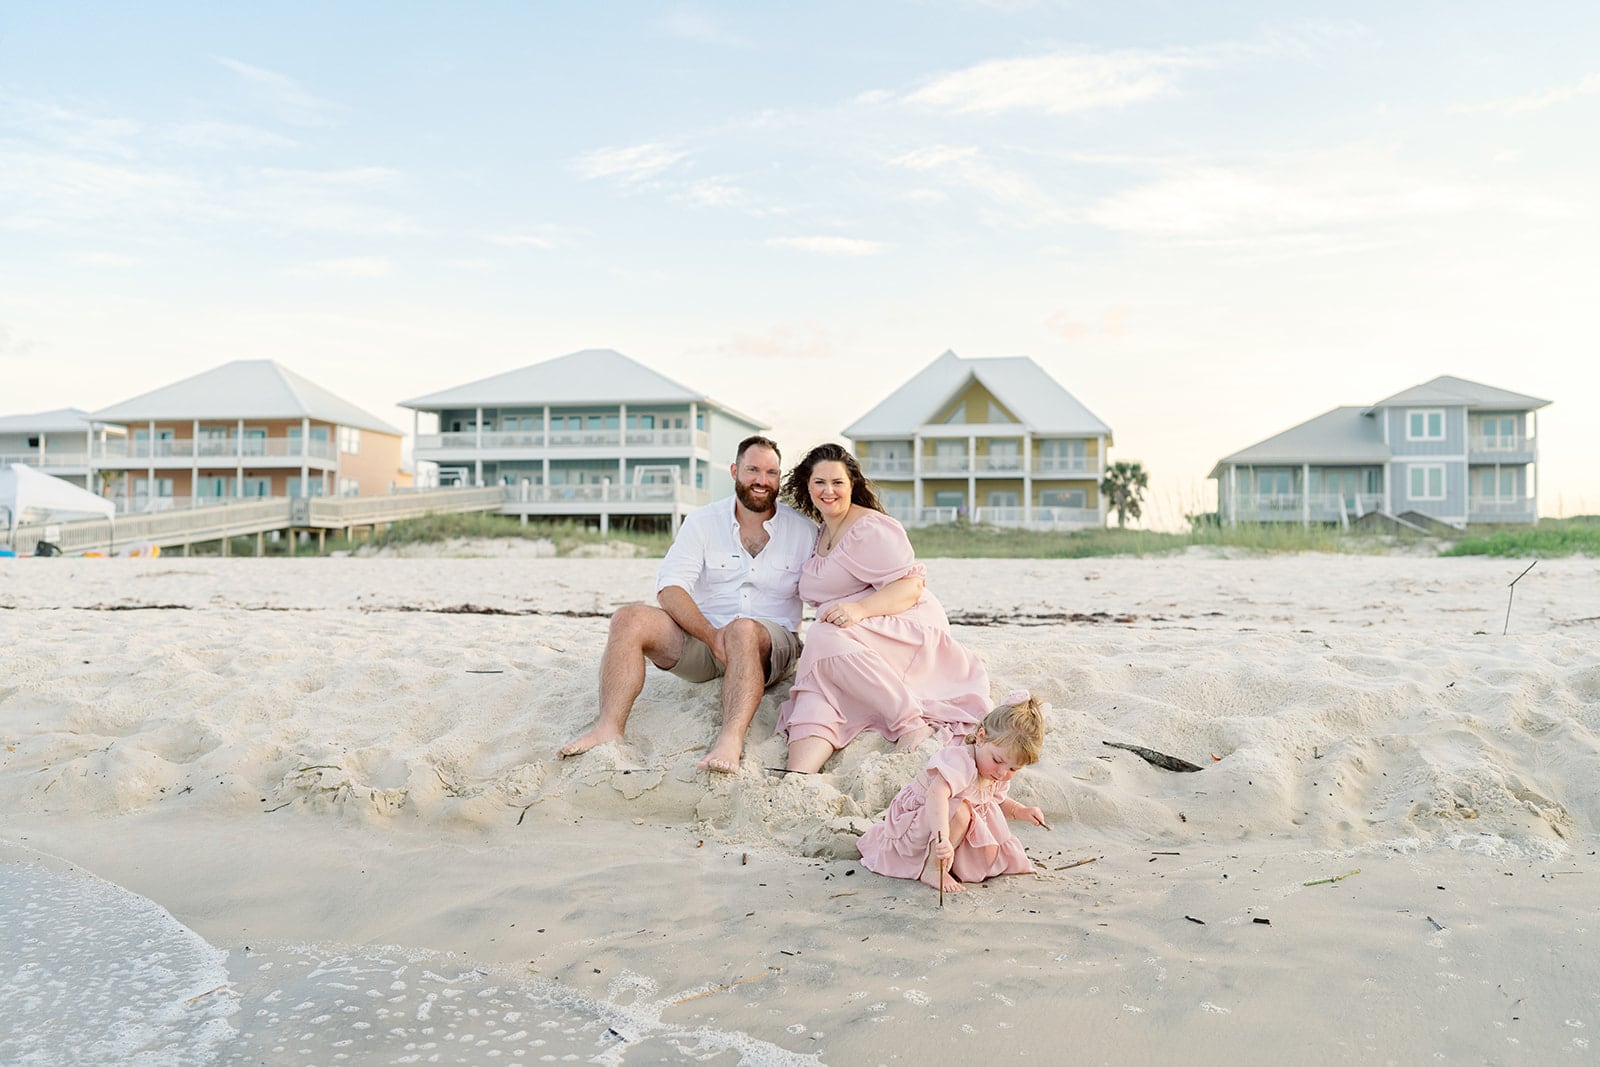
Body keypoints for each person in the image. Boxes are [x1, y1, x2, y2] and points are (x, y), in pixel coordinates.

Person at [557, 435, 816, 772]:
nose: (761, 481)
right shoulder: (703, 522)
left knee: (743, 631)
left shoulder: (804, 530)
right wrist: (710, 636)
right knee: (628, 617)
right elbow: (670, 588)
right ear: (735, 471)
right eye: (753, 470)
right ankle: (609, 728)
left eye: (770, 472)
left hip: (771, 647)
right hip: (706, 643)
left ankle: (730, 740)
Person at [775, 442, 990, 773]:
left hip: (904, 621)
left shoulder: (869, 528)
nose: (828, 490)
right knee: (821, 679)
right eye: (819, 482)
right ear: (807, 485)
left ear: (852, 486)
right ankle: (799, 774)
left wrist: (859, 610)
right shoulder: (820, 534)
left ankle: (909, 722)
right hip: (849, 632)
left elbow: (911, 586)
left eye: (837, 483)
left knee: (821, 637)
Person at [857, 693, 1049, 895]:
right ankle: (933, 868)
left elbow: (995, 801)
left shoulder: (995, 774)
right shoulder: (959, 761)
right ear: (981, 737)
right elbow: (936, 796)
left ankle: (951, 858)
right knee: (961, 812)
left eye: (1013, 769)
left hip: (952, 826)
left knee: (974, 814)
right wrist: (943, 837)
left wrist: (1021, 811)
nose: (1002, 772)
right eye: (998, 760)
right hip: (925, 820)